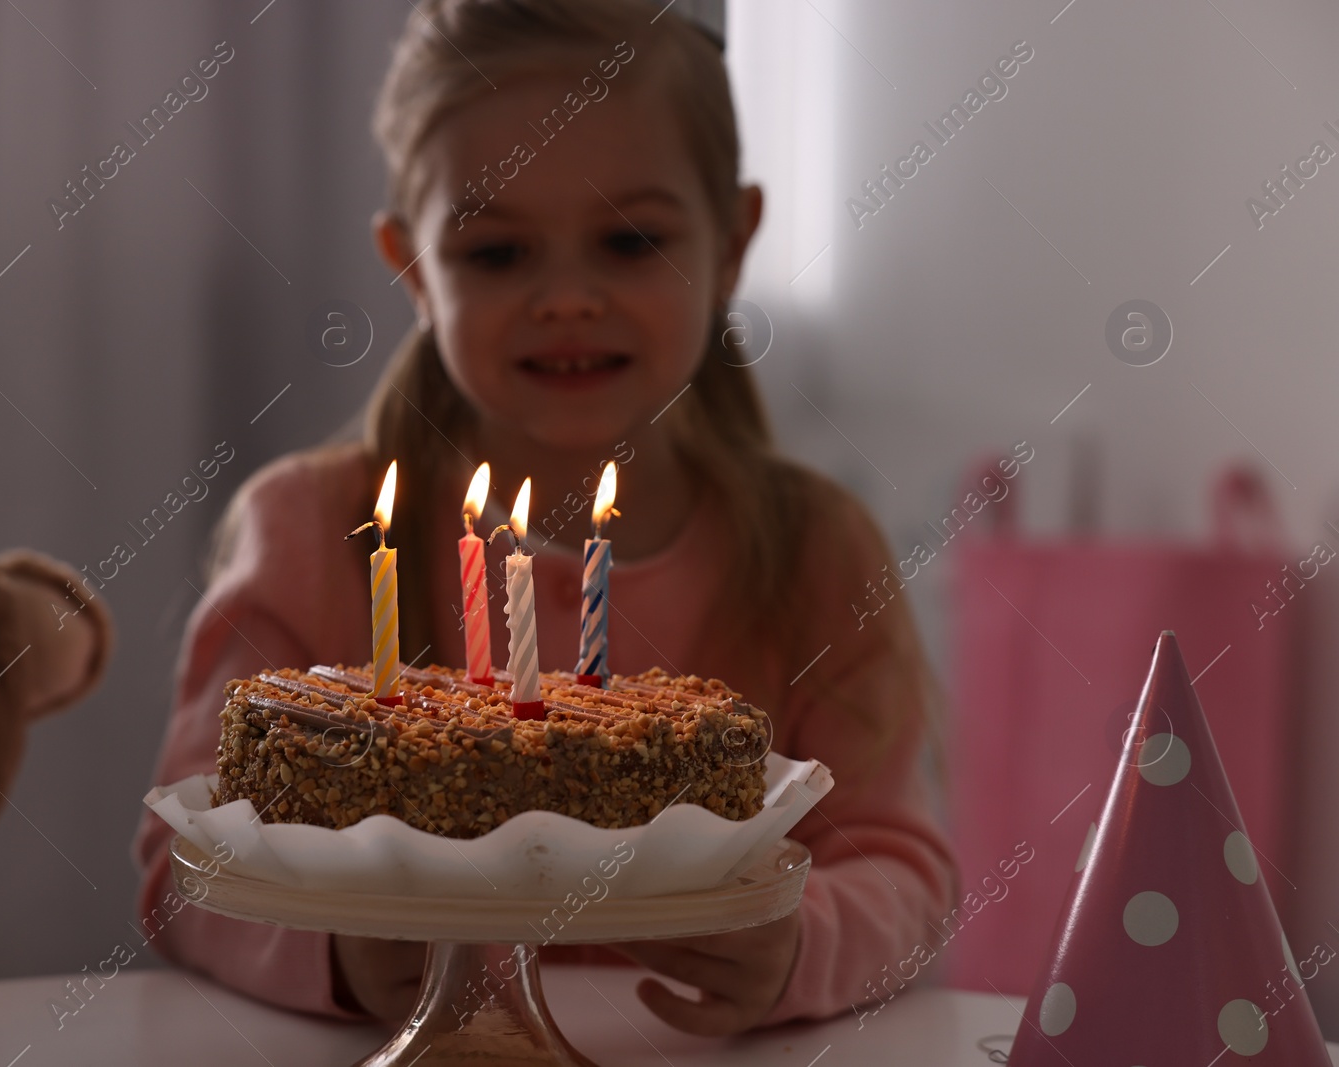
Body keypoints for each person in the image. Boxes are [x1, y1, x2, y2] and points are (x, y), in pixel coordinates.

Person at [134, 0, 959, 1035]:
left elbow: (902, 866)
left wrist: (802, 939)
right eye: (496, 253)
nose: (566, 296)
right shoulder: (314, 529)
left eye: (629, 240)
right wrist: (340, 952)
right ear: (411, 266)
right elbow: (186, 864)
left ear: (733, 242)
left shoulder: (814, 552)